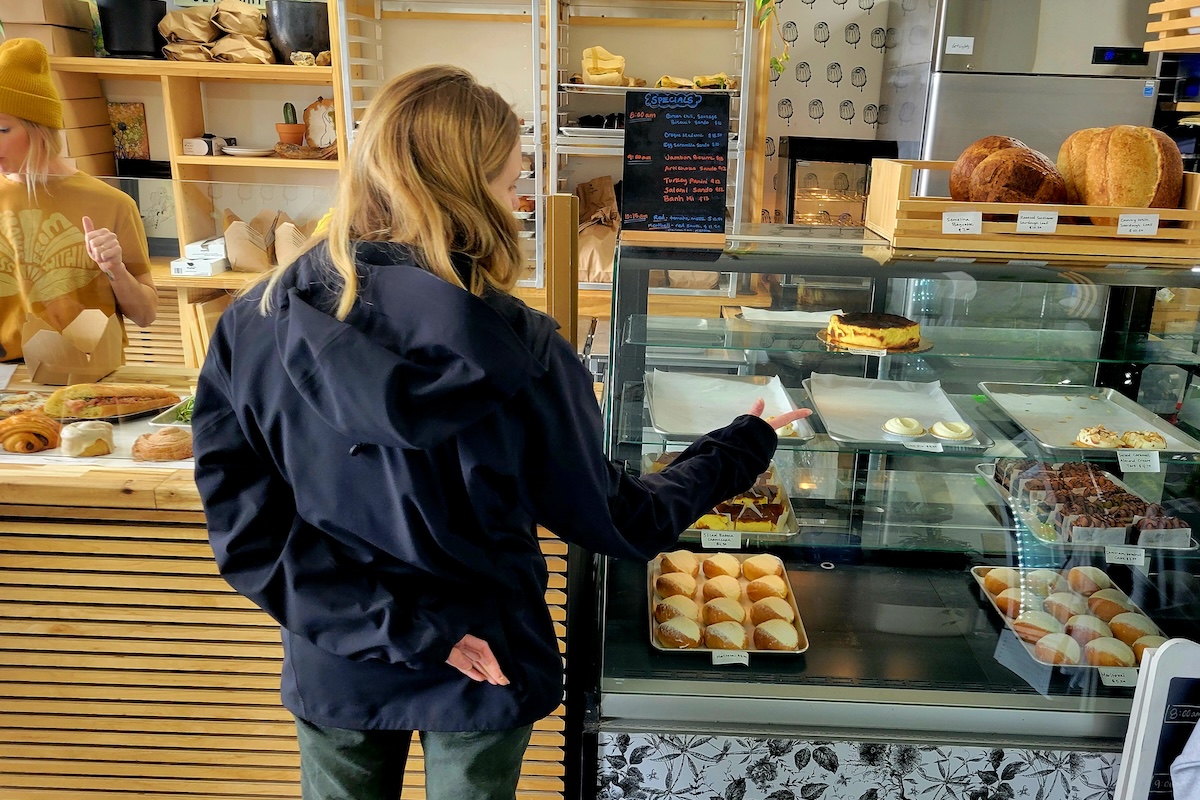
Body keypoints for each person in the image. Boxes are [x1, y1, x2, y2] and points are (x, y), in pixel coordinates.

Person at [192, 64, 808, 800]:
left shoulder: (252, 324)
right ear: (464, 188)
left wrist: (403, 633)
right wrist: (747, 438)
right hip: (487, 652)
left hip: (339, 655)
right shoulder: (525, 346)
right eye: (509, 179)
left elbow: (249, 538)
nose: (518, 198)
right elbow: (622, 520)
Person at [0, 38, 157, 362]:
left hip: (89, 379)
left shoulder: (111, 204)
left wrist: (115, 270)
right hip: (8, 385)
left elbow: (145, 314)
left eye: (2, 129)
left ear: (40, 128)